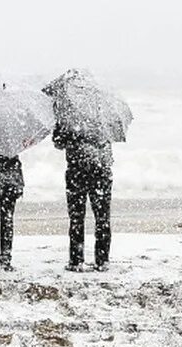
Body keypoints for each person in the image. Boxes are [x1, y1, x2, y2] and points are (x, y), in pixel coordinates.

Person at [52, 106, 114, 272]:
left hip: (77, 172)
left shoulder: (67, 116)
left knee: (77, 219)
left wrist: (66, 130)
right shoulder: (104, 113)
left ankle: (76, 260)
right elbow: (108, 142)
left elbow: (57, 142)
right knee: (102, 218)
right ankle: (102, 260)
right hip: (101, 172)